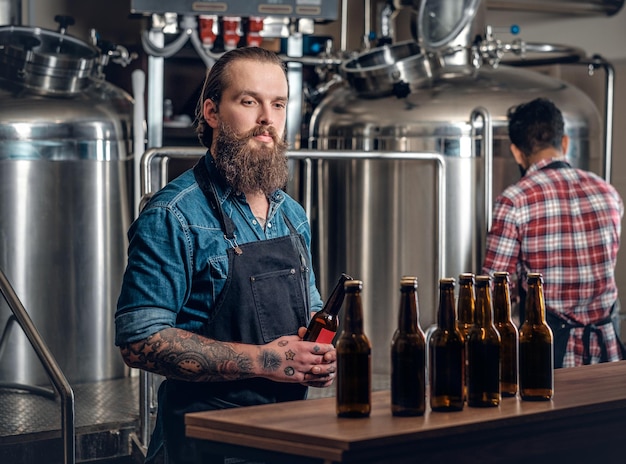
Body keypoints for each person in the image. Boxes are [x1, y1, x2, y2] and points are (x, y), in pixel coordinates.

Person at [115, 47, 336, 464]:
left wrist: (317, 355)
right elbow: (138, 339)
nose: (267, 119)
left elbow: (310, 312)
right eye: (249, 101)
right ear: (212, 112)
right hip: (203, 441)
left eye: (278, 104)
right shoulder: (174, 214)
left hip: (288, 435)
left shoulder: (292, 214)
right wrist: (268, 360)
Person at [482, 97, 625, 369]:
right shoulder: (608, 193)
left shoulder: (514, 201)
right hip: (610, 356)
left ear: (516, 152)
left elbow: (494, 292)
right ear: (565, 142)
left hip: (548, 361)